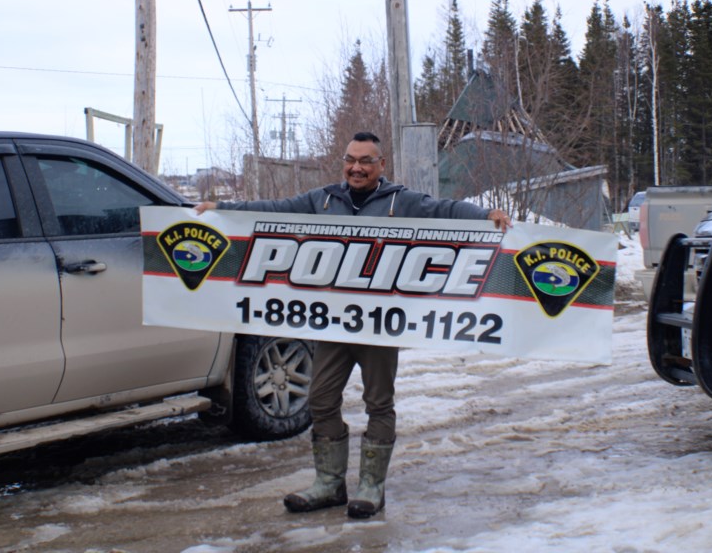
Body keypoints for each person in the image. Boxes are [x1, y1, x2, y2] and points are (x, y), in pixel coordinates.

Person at [195, 131, 511, 519]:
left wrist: (484, 216)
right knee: (320, 399)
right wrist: (222, 207)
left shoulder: (403, 201)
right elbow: (273, 209)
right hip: (333, 324)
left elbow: (446, 209)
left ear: (381, 166)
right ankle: (329, 484)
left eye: (366, 161)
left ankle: (372, 487)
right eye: (350, 159)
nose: (356, 167)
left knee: (379, 403)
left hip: (379, 324)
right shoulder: (322, 199)